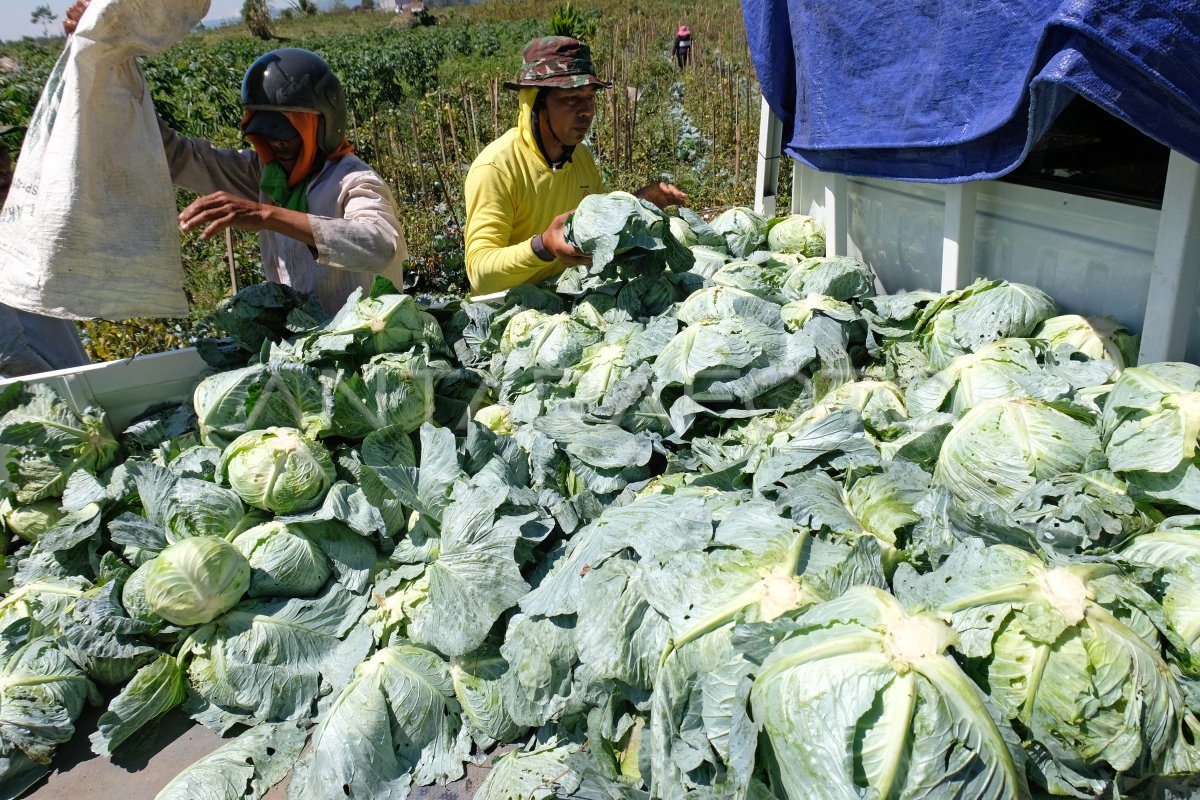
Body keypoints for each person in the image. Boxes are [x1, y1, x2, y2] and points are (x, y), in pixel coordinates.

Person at [64, 2, 406, 315]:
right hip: (303, 349)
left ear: (321, 125)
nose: (277, 144)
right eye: (266, 133)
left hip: (363, 348)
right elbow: (176, 156)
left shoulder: (353, 181)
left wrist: (265, 214)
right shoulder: (263, 173)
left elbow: (381, 245)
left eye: (286, 132)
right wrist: (111, 59)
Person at [464, 36, 687, 296]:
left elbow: (597, 229)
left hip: (570, 299)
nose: (586, 111)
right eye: (571, 98)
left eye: (590, 98)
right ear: (537, 104)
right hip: (509, 315)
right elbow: (480, 274)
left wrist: (638, 203)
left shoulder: (580, 157)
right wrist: (543, 247)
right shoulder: (497, 169)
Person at [0, 125, 91, 378]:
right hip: (40, 402)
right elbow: (9, 355)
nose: (5, 166)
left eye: (4, 150)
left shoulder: (11, 230)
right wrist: (68, 400)